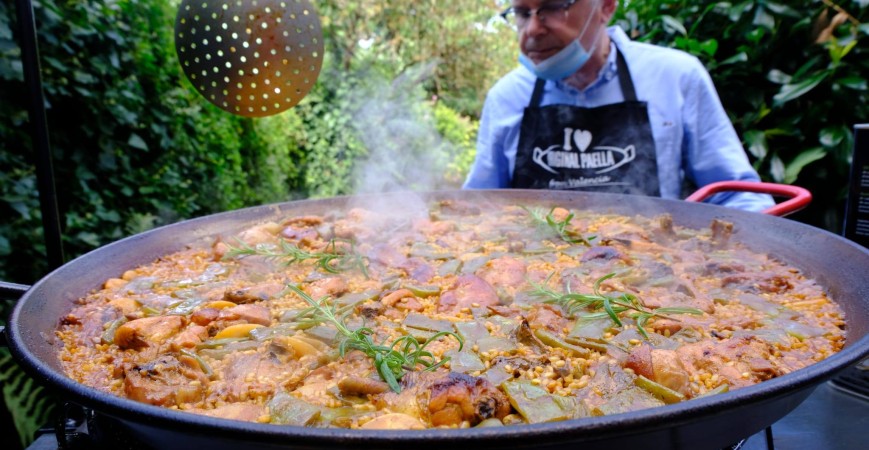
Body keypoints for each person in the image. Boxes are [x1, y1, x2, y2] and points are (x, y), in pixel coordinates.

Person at [463, 0, 774, 212]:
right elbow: (477, 211)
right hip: (527, 291)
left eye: (553, 7)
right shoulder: (507, 96)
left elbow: (738, 196)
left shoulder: (675, 76)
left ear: (606, 6)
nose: (531, 30)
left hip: (653, 283)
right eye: (521, 12)